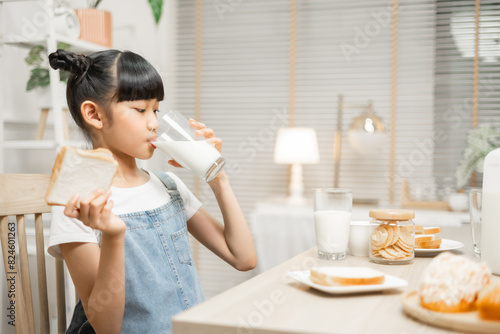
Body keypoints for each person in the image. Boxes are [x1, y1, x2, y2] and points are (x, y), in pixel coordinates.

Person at [47, 49, 257, 334]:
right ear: (94, 114)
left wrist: (216, 175)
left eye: (156, 109)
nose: (154, 122)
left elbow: (243, 259)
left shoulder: (168, 186)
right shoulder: (78, 203)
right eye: (140, 109)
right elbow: (106, 326)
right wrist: (113, 235)